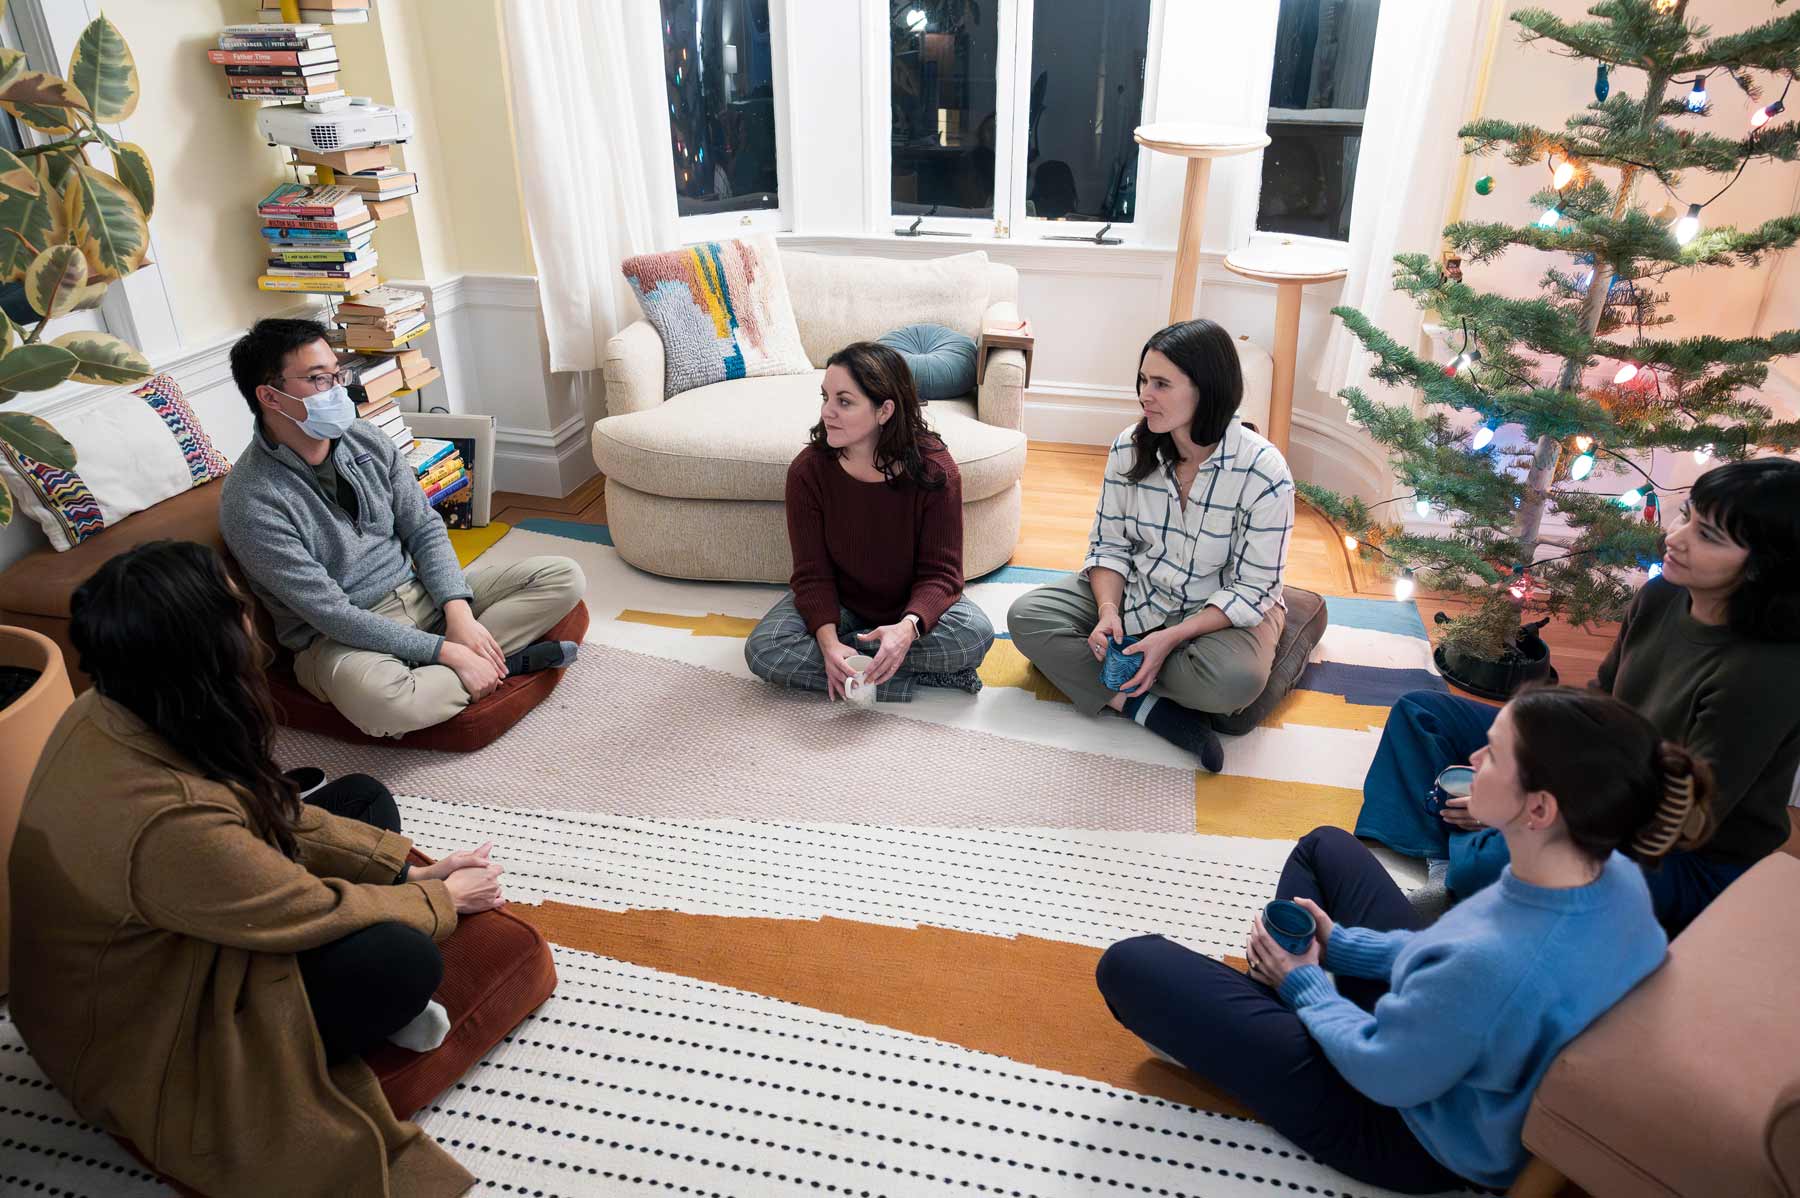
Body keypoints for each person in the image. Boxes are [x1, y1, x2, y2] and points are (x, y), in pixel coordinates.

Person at [9, 541, 511, 1197]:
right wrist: (440, 902)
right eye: (236, 606)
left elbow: (257, 807)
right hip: (153, 1024)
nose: (251, 617)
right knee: (404, 958)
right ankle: (322, 1039)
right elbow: (306, 908)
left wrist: (409, 873)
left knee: (363, 800)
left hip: (168, 925)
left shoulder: (109, 706)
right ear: (206, 648)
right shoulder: (169, 827)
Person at [1095, 686, 1712, 1194]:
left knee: (1130, 965)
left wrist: (1305, 984)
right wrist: (1340, 949)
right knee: (1325, 846)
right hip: (1449, 1038)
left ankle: (1277, 1013)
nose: (1472, 756)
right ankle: (1275, 1010)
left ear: (1540, 809)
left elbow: (1384, 1067)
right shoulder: (1611, 874)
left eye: (1493, 756)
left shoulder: (1491, 964)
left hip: (1407, 1129)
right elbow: (1451, 952)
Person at [1357, 457, 1800, 932]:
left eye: (1708, 535)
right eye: (1687, 514)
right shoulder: (1663, 596)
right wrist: (1527, 767)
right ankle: (1445, 873)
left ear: (1764, 567)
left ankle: (1461, 877)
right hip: (1599, 775)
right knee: (1421, 712)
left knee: (1506, 854)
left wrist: (1519, 804)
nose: (1675, 537)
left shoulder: (1765, 673)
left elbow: (1677, 821)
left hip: (1676, 856)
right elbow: (1598, 702)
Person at [220, 317, 587, 739]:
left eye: (337, 375)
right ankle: (495, 662)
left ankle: (465, 667)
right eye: (319, 380)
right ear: (271, 396)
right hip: (341, 638)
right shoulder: (251, 501)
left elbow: (425, 528)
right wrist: (445, 650)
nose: (339, 391)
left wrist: (457, 611)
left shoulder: (367, 439)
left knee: (562, 576)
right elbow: (331, 614)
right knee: (384, 705)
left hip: (421, 596)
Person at [1007, 320, 1294, 772]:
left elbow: (1253, 587)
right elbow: (1109, 545)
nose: (1144, 394)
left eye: (1161, 383)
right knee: (1026, 618)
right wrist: (1106, 612)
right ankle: (1143, 708)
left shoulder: (1264, 471)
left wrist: (1171, 638)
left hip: (1219, 611)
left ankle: (1294, 624)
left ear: (1206, 388)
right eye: (1143, 380)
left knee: (1235, 682)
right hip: (1142, 591)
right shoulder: (1128, 448)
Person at [745, 341, 995, 702]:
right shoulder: (808, 472)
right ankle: (914, 675)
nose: (827, 412)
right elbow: (812, 574)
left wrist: (907, 629)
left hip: (909, 607)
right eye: (825, 397)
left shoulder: (935, 471)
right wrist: (829, 643)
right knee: (765, 649)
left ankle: (862, 671)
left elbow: (942, 575)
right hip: (841, 603)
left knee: (974, 635)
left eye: (844, 401)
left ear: (884, 410)